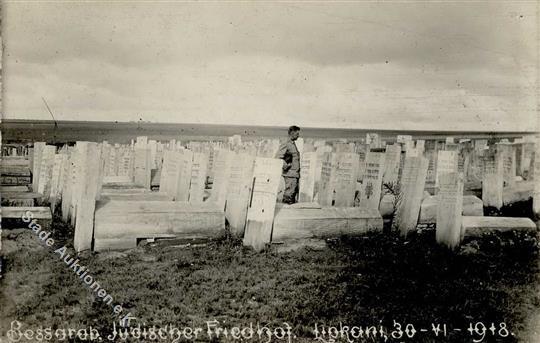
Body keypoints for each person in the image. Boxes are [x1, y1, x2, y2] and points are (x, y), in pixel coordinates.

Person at [275, 125, 301, 204]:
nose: (298, 135)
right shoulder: (286, 143)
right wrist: (286, 165)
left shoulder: (292, 143)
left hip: (294, 174)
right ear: (292, 133)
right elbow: (278, 157)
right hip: (290, 174)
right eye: (297, 134)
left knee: (291, 196)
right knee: (288, 197)